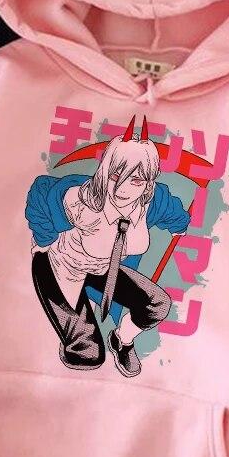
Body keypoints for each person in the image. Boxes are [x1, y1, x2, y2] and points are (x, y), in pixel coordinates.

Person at [26, 115, 190, 377]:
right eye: (116, 175)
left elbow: (174, 213)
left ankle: (122, 341)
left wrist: (180, 225)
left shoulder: (152, 202)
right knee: (87, 354)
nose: (123, 188)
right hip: (60, 265)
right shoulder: (82, 201)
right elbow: (40, 192)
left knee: (157, 304)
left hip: (102, 269)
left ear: (148, 182)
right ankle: (74, 326)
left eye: (136, 181)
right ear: (105, 171)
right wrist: (44, 239)